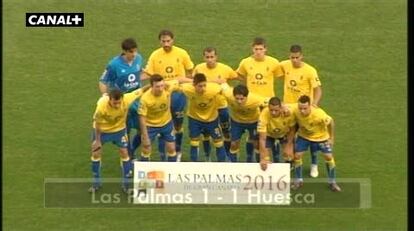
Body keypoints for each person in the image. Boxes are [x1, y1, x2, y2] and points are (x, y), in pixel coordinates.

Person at [143, 29, 194, 161]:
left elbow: (190, 71)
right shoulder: (155, 55)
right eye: (163, 41)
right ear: (160, 41)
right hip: (161, 95)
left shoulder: (182, 53)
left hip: (178, 95)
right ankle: (162, 155)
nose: (166, 43)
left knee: (177, 125)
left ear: (173, 40)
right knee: (162, 123)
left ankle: (177, 150)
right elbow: (149, 74)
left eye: (168, 41)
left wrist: (181, 84)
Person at [89, 86, 148, 193]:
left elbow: (141, 90)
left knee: (125, 153)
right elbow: (97, 123)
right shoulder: (101, 106)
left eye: (119, 102)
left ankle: (126, 185)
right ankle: (96, 183)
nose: (117, 105)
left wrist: (152, 85)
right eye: (114, 103)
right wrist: (97, 140)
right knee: (96, 153)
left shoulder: (127, 98)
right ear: (109, 99)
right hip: (102, 131)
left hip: (119, 130)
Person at [276, 44, 322, 178]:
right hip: (289, 109)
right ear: (289, 56)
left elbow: (318, 89)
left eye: (297, 57)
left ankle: (314, 164)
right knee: (288, 136)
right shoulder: (284, 65)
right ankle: (289, 162)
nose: (294, 60)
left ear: (302, 56)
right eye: (292, 58)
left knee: (311, 137)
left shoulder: (310, 70)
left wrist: (314, 104)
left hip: (303, 109)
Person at [236, 37, 281, 162]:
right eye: (256, 49)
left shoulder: (274, 63)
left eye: (261, 49)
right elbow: (239, 75)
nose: (258, 51)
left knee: (271, 133)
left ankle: (275, 159)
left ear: (265, 49)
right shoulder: (245, 62)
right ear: (252, 49)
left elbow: (279, 76)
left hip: (268, 104)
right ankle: (251, 159)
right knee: (253, 133)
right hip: (252, 103)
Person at [98, 38, 144, 160]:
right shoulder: (114, 64)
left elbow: (139, 74)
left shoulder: (139, 59)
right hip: (123, 103)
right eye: (131, 52)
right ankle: (129, 156)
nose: (134, 54)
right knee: (126, 132)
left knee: (143, 129)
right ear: (124, 51)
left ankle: (132, 149)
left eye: (135, 51)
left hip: (137, 99)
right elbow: (103, 81)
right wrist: (105, 96)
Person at [193, 47, 238, 160]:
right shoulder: (199, 68)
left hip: (221, 105)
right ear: (204, 57)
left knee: (226, 132)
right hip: (206, 106)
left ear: (216, 57)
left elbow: (236, 76)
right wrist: (215, 82)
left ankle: (227, 156)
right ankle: (208, 157)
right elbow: (194, 82)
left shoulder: (225, 69)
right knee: (206, 133)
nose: (209, 60)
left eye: (212, 57)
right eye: (207, 57)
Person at [291, 95, 341, 192]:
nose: (302, 111)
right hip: (304, 136)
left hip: (321, 138)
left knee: (328, 157)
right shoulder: (296, 110)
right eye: (300, 108)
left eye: (305, 108)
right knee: (297, 156)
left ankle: (332, 182)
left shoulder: (319, 114)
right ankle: (298, 180)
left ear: (310, 106)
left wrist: (331, 138)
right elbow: (286, 106)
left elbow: (331, 122)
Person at [180, 73, 227, 162]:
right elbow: (176, 82)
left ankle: (222, 166)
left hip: (212, 119)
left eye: (204, 85)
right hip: (195, 119)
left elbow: (225, 86)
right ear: (194, 85)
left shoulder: (214, 88)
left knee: (219, 143)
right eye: (200, 86)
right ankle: (196, 166)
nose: (203, 88)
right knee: (194, 142)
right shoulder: (187, 88)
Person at [222, 84, 269, 162]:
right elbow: (219, 86)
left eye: (242, 99)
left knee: (256, 144)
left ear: (247, 96)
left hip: (253, 122)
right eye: (237, 98)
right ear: (233, 96)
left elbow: (270, 101)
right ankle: (233, 164)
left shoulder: (255, 99)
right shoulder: (228, 94)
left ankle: (253, 161)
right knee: (234, 144)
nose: (239, 101)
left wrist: (284, 106)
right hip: (237, 122)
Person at [138, 74, 179, 162]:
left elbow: (179, 81)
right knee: (146, 148)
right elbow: (142, 118)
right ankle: (144, 172)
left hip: (166, 123)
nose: (160, 89)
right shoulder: (145, 99)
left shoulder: (168, 88)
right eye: (157, 87)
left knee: (172, 148)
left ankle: (171, 171)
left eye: (162, 85)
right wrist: (145, 136)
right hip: (150, 125)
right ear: (151, 86)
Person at [258, 97, 296, 171]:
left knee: (289, 155)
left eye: (276, 110)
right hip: (269, 134)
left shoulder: (289, 112)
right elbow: (262, 139)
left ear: (281, 108)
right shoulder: (264, 114)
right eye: (271, 110)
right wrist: (263, 157)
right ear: (268, 107)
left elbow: (292, 130)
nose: (273, 112)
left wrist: (289, 145)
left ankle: (290, 164)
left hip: (284, 134)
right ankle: (261, 162)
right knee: (264, 155)